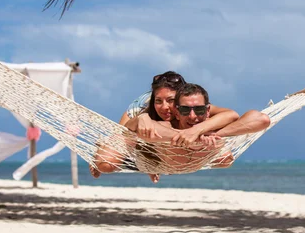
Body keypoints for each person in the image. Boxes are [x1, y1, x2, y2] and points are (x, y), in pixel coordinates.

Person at [90, 72, 240, 181]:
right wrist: (150, 164)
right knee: (106, 164)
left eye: (170, 100)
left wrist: (199, 130)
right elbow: (122, 133)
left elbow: (230, 114)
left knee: (226, 159)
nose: (165, 107)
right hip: (139, 147)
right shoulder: (141, 107)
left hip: (174, 150)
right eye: (159, 101)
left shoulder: (190, 105)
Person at [139, 83, 271, 170]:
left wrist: (211, 134)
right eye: (185, 110)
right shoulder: (169, 127)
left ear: (208, 111)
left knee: (225, 160)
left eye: (199, 110)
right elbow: (143, 131)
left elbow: (262, 119)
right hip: (157, 166)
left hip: (205, 158)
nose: (192, 116)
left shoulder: (214, 128)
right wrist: (189, 137)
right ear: (177, 113)